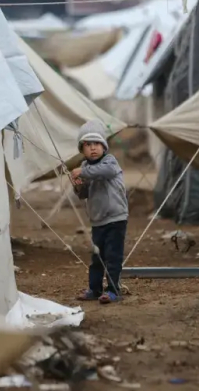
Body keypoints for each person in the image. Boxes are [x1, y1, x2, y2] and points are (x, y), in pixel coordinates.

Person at [71, 119, 128, 304]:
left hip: (116, 218)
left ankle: (113, 290)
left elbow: (105, 171)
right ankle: (94, 289)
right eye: (87, 145)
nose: (93, 148)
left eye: (97, 143)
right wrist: (79, 187)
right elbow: (85, 194)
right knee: (97, 258)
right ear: (82, 149)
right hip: (98, 220)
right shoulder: (86, 168)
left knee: (113, 257)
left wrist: (83, 173)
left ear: (104, 146)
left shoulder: (110, 162)